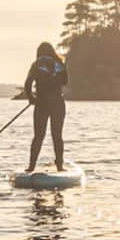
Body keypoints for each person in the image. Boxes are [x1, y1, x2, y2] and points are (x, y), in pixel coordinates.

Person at [24, 42, 69, 172]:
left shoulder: (37, 64)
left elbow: (28, 84)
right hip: (58, 104)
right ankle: (60, 167)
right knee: (57, 135)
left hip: (41, 104)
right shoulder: (59, 64)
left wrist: (32, 98)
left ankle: (31, 167)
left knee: (38, 136)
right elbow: (65, 81)